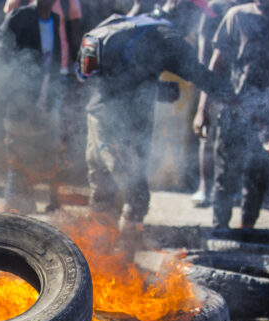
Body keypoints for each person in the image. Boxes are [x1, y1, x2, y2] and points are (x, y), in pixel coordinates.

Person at [76, 0, 234, 233]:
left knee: (103, 193)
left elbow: (116, 78)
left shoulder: (129, 23)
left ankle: (98, 258)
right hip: (121, 131)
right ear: (182, 10)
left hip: (97, 118)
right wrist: (242, 101)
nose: (195, 25)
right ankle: (125, 263)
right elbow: (202, 76)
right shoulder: (167, 37)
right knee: (136, 197)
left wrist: (157, 89)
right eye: (196, 17)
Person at [194, 0, 269, 229]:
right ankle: (220, 230)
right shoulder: (237, 16)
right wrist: (202, 109)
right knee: (225, 176)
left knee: (259, 177)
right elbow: (217, 65)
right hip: (235, 110)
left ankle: (247, 229)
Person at [0, 0, 65, 213]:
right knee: (17, 150)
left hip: (44, 95)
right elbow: (2, 60)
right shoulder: (19, 17)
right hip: (19, 99)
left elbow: (54, 61)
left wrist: (51, 99)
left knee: (40, 152)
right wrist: (21, 102)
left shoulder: (54, 19)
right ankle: (12, 206)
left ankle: (24, 203)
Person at [191, 0, 244, 207]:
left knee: (236, 136)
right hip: (214, 78)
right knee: (207, 134)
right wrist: (206, 80)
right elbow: (204, 45)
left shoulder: (247, 8)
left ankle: (233, 187)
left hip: (240, 81)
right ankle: (205, 187)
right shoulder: (214, 7)